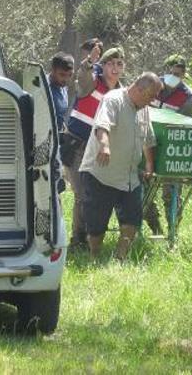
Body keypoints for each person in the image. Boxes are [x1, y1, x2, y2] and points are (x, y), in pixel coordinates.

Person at [79, 72, 161, 260]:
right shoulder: (113, 99)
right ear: (140, 89)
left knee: (133, 218)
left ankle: (120, 258)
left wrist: (149, 163)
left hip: (129, 176)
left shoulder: (144, 109)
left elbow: (147, 138)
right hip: (103, 173)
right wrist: (105, 146)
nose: (153, 100)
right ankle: (95, 256)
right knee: (97, 224)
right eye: (151, 96)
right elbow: (102, 126)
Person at [62, 46, 125, 249]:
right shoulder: (91, 82)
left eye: (119, 64)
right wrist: (89, 62)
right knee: (82, 195)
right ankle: (77, 241)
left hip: (100, 150)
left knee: (95, 197)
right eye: (110, 63)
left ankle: (92, 236)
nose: (115, 68)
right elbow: (83, 75)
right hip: (77, 147)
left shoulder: (121, 93)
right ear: (102, 66)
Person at [143, 54, 192, 236]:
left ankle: (172, 233)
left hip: (169, 151)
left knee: (171, 194)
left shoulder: (188, 97)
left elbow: (181, 129)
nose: (173, 76)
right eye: (171, 72)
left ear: (184, 75)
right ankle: (155, 228)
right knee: (142, 193)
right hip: (144, 146)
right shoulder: (150, 85)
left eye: (178, 74)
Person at [47, 52, 74, 193]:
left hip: (57, 140)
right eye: (62, 75)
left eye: (69, 75)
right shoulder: (43, 89)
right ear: (53, 70)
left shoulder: (63, 87)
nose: (66, 79)